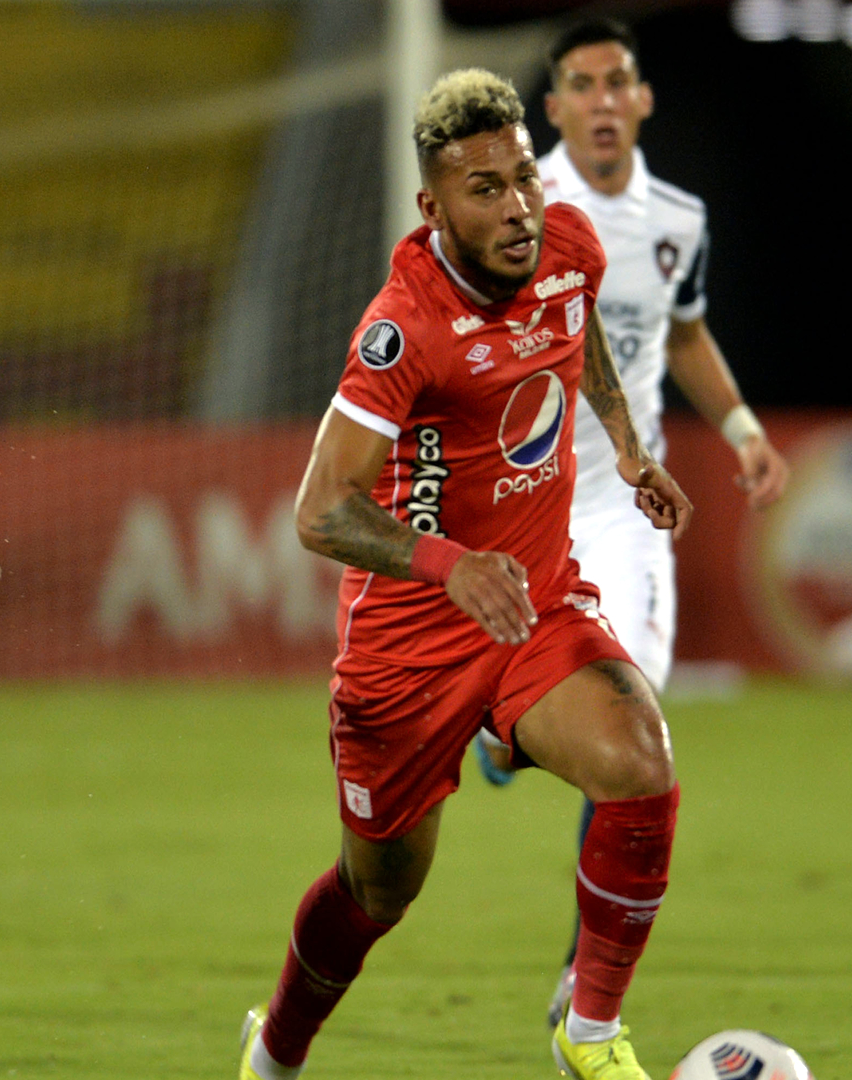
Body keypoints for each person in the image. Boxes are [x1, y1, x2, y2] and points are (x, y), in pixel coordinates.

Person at [237, 70, 693, 1080]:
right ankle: (274, 1050)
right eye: (485, 189)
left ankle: (590, 1031)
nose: (519, 206)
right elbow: (320, 510)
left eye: (524, 175)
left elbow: (580, 349)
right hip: (409, 646)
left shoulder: (567, 246)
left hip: (531, 606)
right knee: (379, 892)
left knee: (640, 758)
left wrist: (626, 447)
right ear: (433, 207)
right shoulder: (404, 326)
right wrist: (447, 563)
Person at [467, 18, 789, 1027]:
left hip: (626, 515)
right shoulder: (514, 210)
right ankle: (503, 735)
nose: (603, 99)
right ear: (553, 108)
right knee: (538, 731)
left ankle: (581, 988)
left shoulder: (677, 220)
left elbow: (683, 332)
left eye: (618, 81)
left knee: (632, 727)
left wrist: (739, 427)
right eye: (580, 84)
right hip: (523, 507)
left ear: (643, 99)